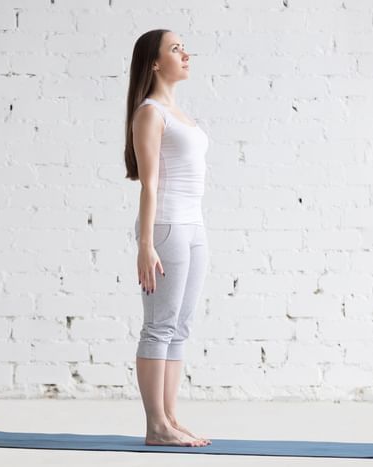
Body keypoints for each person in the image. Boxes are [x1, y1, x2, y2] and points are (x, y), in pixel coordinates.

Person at [123, 29, 211, 447]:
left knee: (180, 327)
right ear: (155, 63)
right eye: (176, 49)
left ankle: (170, 417)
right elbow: (149, 184)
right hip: (167, 228)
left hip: (194, 226)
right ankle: (155, 425)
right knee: (158, 326)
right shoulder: (150, 112)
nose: (186, 53)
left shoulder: (180, 113)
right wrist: (145, 243)